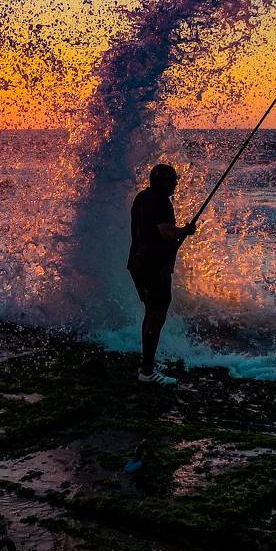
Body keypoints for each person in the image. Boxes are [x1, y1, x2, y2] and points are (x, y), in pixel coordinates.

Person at [127, 162, 197, 384]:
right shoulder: (161, 202)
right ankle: (147, 371)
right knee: (156, 316)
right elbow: (166, 233)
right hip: (153, 266)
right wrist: (186, 230)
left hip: (138, 263)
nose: (176, 184)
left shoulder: (142, 197)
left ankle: (147, 364)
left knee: (151, 313)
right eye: (173, 181)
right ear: (162, 183)